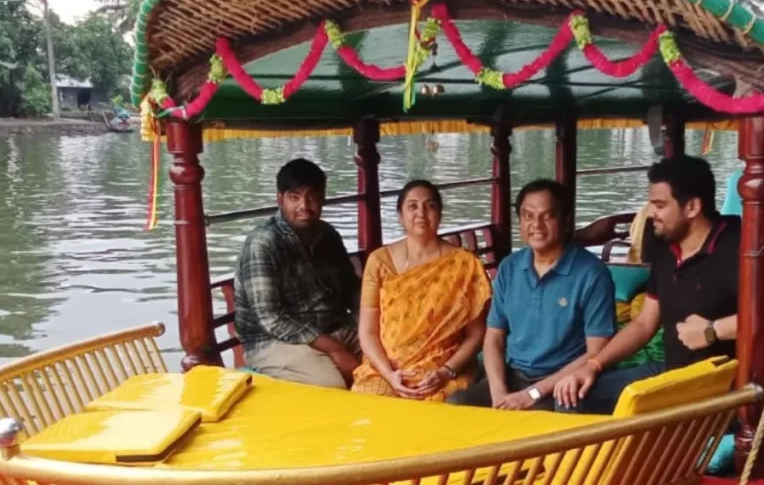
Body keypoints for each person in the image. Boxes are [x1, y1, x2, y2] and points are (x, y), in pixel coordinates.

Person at [553, 155, 740, 413]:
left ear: (692, 207)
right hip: (673, 373)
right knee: (573, 397)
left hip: (724, 386)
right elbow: (643, 324)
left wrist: (713, 330)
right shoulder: (666, 247)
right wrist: (592, 367)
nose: (651, 213)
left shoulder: (739, 247)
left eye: (660, 205)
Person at [447, 179, 617, 411]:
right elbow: (494, 337)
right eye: (528, 216)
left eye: (547, 216)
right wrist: (498, 391)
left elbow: (597, 351)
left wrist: (532, 394)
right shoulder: (510, 267)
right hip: (514, 375)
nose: (537, 224)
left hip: (562, 380)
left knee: (536, 424)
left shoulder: (592, 273)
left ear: (566, 222)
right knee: (457, 405)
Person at [350, 180, 491, 401]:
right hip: (386, 370)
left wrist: (446, 371)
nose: (421, 213)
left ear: (440, 213)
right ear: (400, 215)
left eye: (430, 205)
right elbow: (367, 332)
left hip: (442, 371)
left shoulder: (464, 264)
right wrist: (389, 374)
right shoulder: (379, 261)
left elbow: (476, 334)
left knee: (440, 410)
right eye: (412, 206)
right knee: (370, 404)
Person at [233, 158, 362, 389]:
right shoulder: (263, 243)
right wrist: (334, 349)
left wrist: (365, 325)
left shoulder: (328, 235)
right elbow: (271, 319)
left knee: (395, 358)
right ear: (280, 199)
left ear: (322, 198)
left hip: (334, 329)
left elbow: (352, 289)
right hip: (274, 342)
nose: (304, 205)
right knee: (332, 386)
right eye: (295, 197)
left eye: (312, 196)